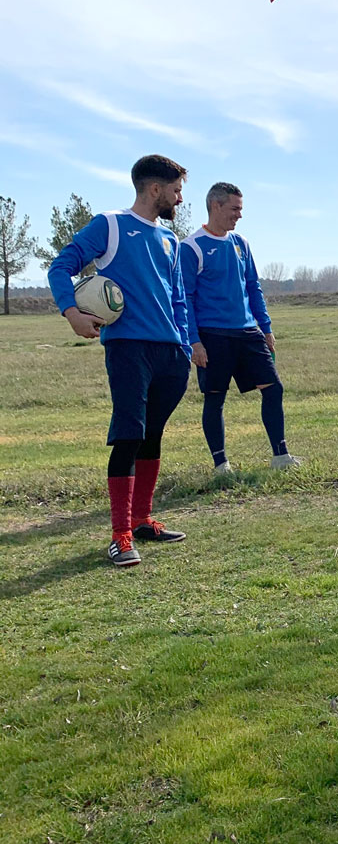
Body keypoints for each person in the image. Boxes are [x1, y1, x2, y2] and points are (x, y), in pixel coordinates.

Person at [48, 154, 192, 567]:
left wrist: (183, 345)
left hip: (170, 354)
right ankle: (120, 534)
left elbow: (178, 298)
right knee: (129, 435)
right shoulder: (109, 225)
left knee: (153, 435)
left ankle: (143, 519)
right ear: (155, 189)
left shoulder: (171, 241)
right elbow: (62, 265)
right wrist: (71, 312)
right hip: (128, 348)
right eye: (177, 190)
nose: (180, 199)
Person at [180, 182, 300, 473]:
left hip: (248, 333)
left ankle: (281, 456)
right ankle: (221, 464)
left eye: (240, 209)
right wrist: (194, 341)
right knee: (215, 397)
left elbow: (253, 287)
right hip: (213, 336)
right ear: (216, 206)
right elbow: (185, 298)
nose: (239, 216)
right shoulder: (191, 247)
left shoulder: (241, 243)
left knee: (274, 388)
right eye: (235, 209)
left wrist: (266, 327)